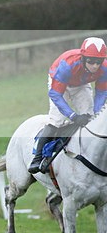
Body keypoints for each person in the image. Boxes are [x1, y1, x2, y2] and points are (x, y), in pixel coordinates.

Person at [28, 37, 107, 174]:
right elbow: (56, 95)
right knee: (56, 121)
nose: (95, 66)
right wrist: (73, 116)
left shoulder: (104, 68)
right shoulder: (67, 65)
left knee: (90, 118)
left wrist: (95, 114)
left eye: (98, 62)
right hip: (58, 84)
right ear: (83, 58)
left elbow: (101, 93)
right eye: (91, 61)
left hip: (81, 84)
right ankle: (38, 157)